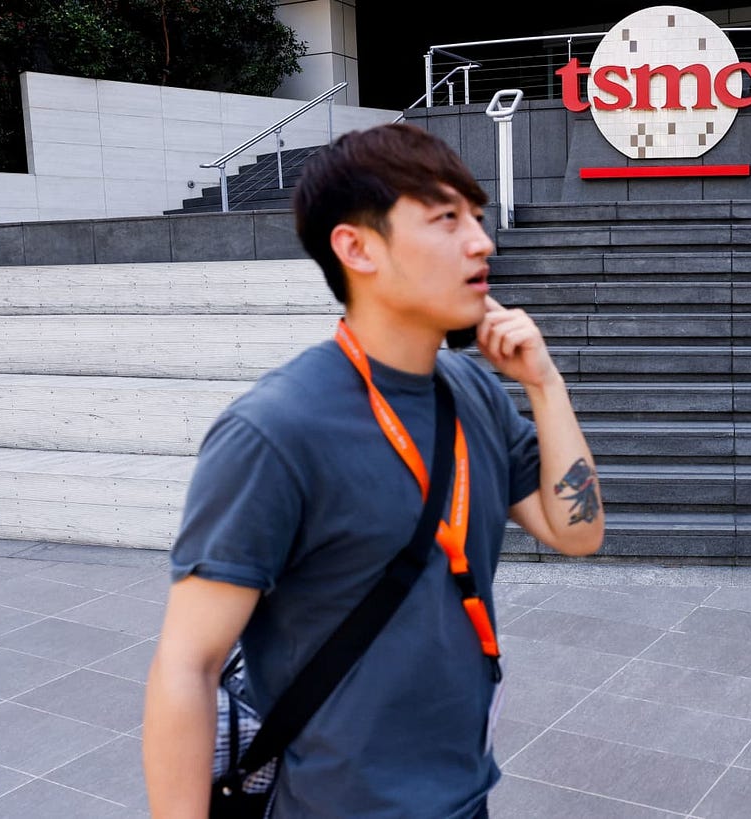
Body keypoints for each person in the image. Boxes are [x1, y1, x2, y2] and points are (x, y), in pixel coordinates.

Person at [142, 122, 604, 818]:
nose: (481, 242)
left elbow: (577, 532)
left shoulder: (472, 391)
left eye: (475, 218)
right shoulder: (274, 431)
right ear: (356, 247)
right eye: (446, 219)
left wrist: (546, 385)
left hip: (464, 797)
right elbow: (188, 664)